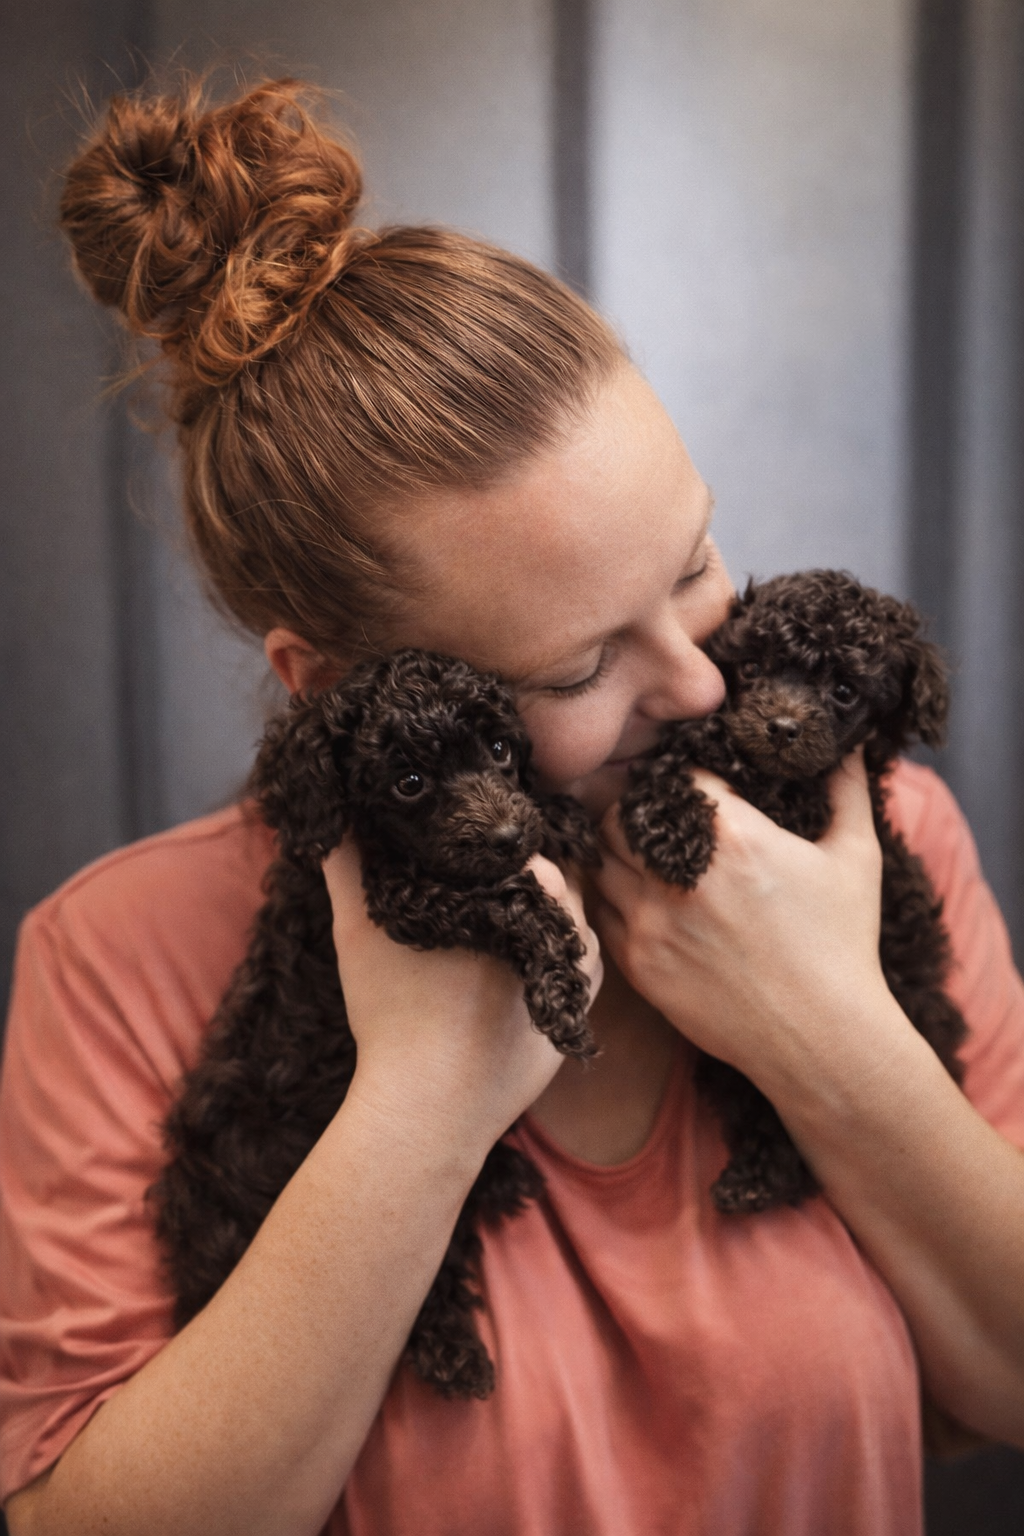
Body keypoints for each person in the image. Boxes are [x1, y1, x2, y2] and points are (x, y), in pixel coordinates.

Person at [2, 76, 1023, 1536]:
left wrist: (830, 1026)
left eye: (689, 564)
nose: (694, 683)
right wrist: (420, 1103)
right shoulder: (121, 956)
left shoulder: (872, 840)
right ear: (328, 684)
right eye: (581, 663)